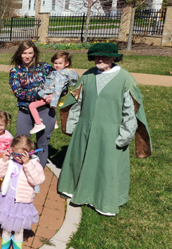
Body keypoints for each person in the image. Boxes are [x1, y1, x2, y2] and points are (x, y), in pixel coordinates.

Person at [58, 42, 152, 216]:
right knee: (79, 160)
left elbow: (130, 111)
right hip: (85, 128)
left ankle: (103, 200)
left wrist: (124, 135)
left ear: (114, 58)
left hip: (110, 132)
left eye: (105, 56)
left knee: (105, 167)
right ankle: (74, 189)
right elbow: (78, 102)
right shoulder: (87, 75)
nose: (100, 59)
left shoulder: (125, 79)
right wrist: (73, 126)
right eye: (96, 56)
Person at [0, 135, 45, 249]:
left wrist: (27, 164)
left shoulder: (34, 164)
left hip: (22, 202)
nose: (17, 158)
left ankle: (17, 245)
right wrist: (4, 160)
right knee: (5, 226)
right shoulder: (11, 162)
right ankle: (5, 246)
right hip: (7, 199)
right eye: (15, 154)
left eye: (21, 155)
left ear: (29, 153)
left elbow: (37, 180)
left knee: (19, 229)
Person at [8, 41, 54, 168]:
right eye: (24, 53)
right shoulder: (15, 71)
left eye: (30, 53)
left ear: (34, 54)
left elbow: (59, 83)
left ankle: (38, 173)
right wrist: (42, 95)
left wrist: (55, 95)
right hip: (25, 112)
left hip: (45, 110)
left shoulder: (45, 68)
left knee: (43, 144)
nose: (27, 56)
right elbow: (18, 92)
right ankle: (20, 172)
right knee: (21, 143)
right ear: (19, 54)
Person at [28, 51, 79, 134]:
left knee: (32, 106)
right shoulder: (61, 72)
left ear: (66, 63)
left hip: (49, 96)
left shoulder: (60, 75)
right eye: (55, 63)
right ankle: (54, 122)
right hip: (50, 95)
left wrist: (53, 102)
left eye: (60, 63)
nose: (57, 65)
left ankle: (38, 124)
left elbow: (58, 89)